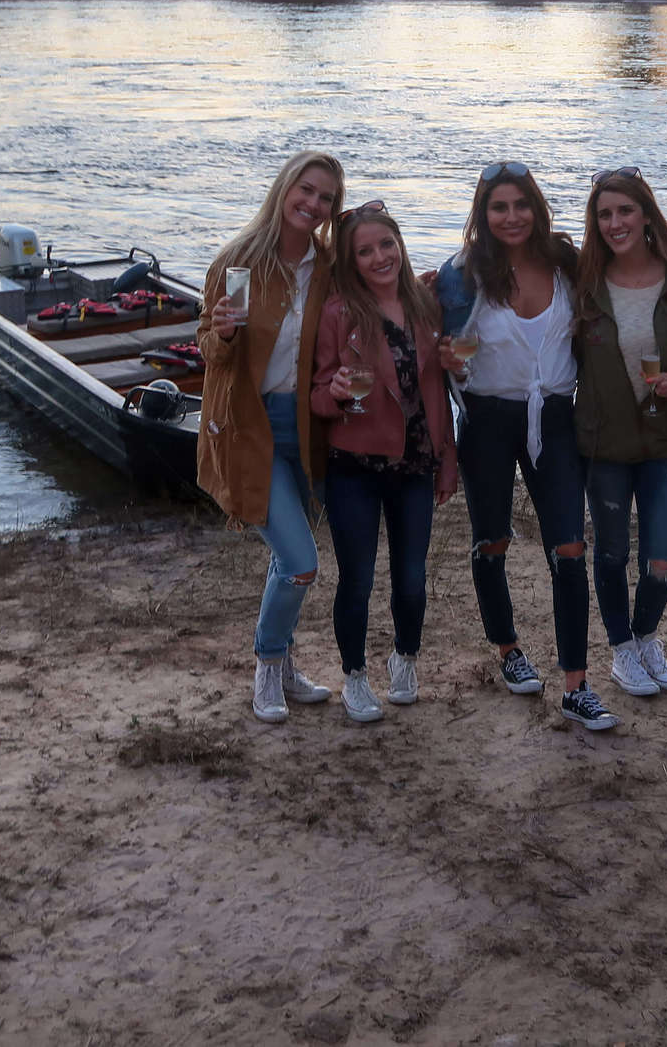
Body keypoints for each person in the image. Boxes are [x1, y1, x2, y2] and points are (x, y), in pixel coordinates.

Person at [433, 162, 618, 731]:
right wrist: (444, 361)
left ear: (536, 209)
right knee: (492, 541)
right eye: (499, 207)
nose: (511, 217)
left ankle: (576, 686)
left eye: (521, 205)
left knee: (569, 546)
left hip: (556, 419)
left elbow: (631, 280)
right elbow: (414, 326)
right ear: (482, 215)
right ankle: (508, 649)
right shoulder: (461, 275)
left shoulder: (567, 264)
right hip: (486, 419)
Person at [198, 151, 344, 724]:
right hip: (248, 428)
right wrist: (224, 334)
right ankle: (267, 665)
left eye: (325, 197)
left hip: (307, 427)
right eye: (305, 190)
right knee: (301, 561)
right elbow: (210, 352)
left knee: (288, 556)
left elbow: (375, 290)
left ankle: (282, 666)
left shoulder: (327, 264)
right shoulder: (238, 263)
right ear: (284, 190)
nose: (312, 204)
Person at [571, 168, 667, 698]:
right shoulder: (583, 280)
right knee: (611, 554)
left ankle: (646, 636)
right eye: (604, 214)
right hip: (604, 442)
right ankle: (621, 649)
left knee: (662, 557)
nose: (615, 223)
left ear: (646, 213)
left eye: (625, 211)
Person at [311, 202, 458, 724]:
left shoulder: (425, 303)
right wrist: (330, 392)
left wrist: (447, 456)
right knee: (357, 579)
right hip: (354, 464)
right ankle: (353, 676)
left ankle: (405, 658)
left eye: (386, 245)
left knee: (412, 579)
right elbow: (317, 400)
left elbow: (436, 388)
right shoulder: (337, 313)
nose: (379, 257)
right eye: (365, 251)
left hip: (415, 464)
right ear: (349, 262)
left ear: (400, 244)